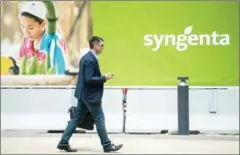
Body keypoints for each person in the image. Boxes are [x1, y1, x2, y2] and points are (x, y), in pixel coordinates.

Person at [57, 36, 123, 153]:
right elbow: (89, 79)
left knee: (76, 119)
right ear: (95, 45)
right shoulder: (90, 59)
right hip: (90, 96)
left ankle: (63, 142)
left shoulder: (87, 57)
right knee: (100, 119)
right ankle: (107, 145)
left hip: (83, 94)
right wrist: (104, 78)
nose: (103, 47)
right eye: (102, 45)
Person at [18, 1, 68, 74]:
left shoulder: (55, 41)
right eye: (23, 26)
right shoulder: (26, 41)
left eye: (30, 28)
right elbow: (20, 62)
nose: (26, 32)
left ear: (43, 24)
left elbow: (58, 68)